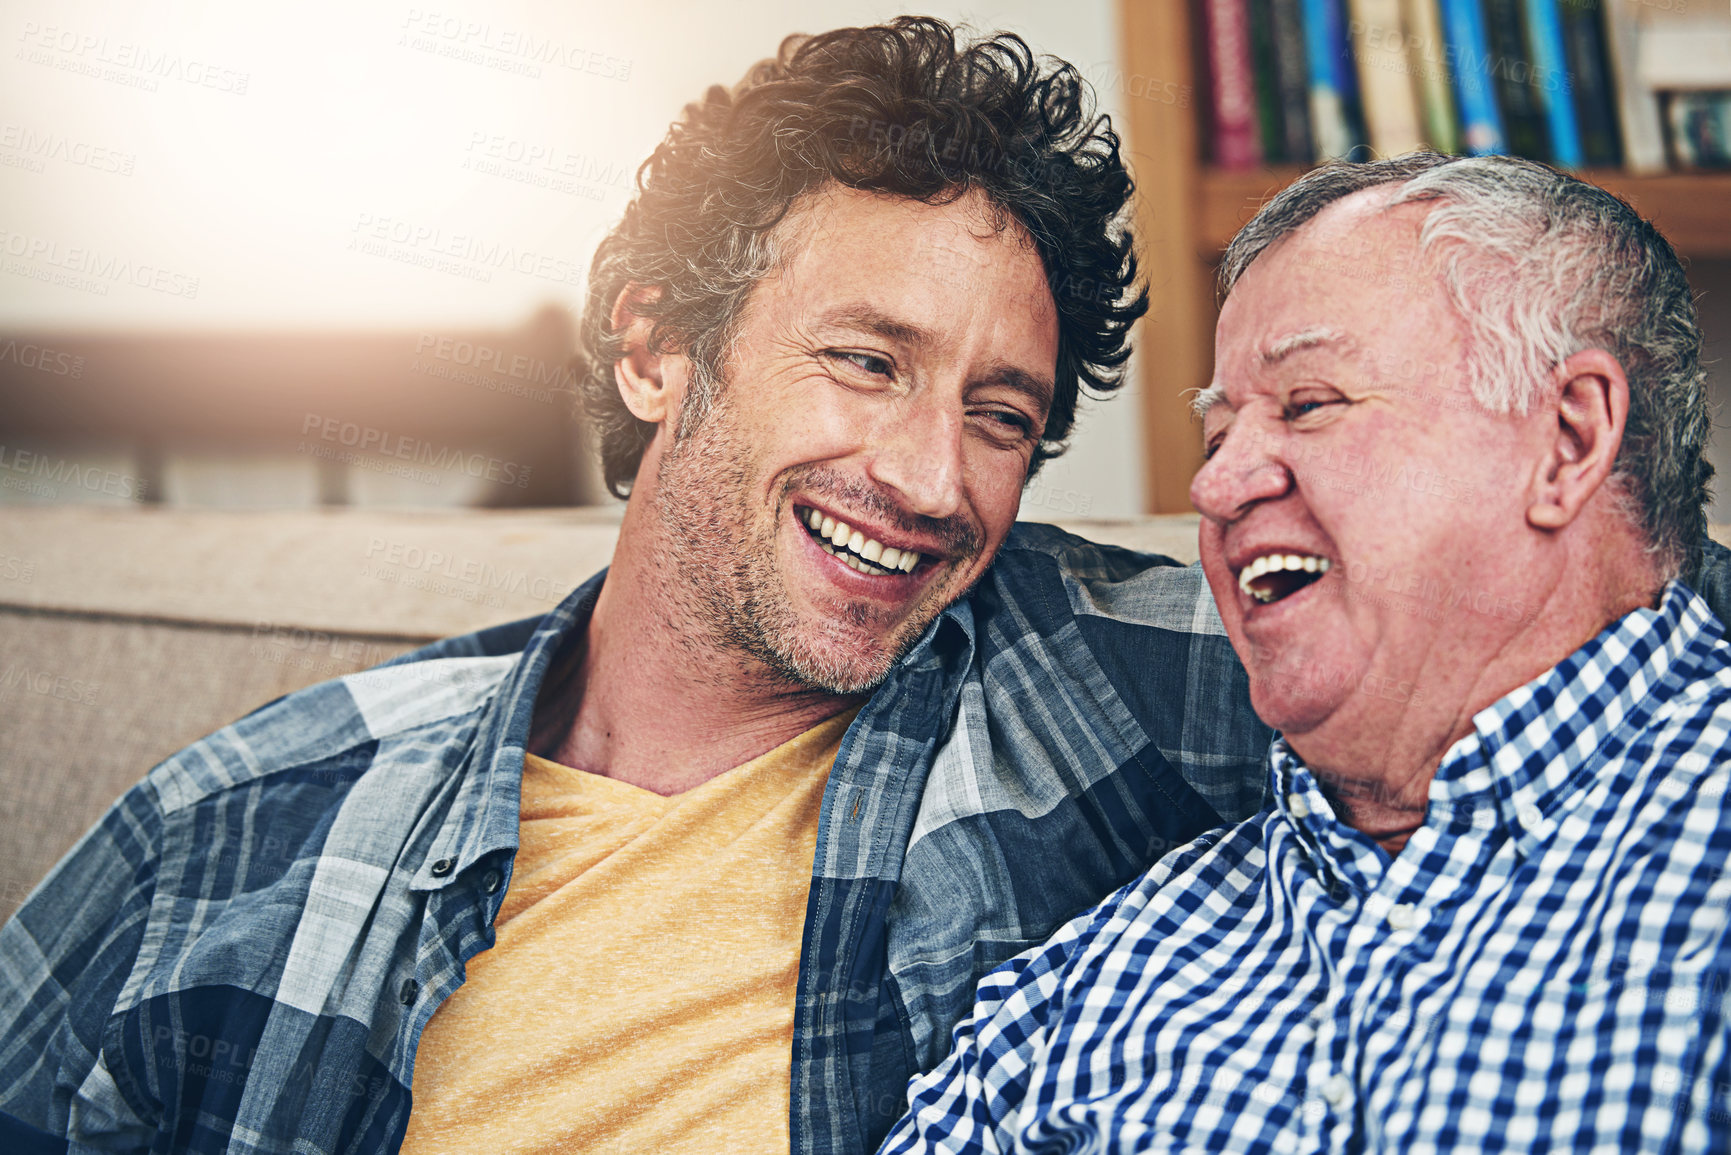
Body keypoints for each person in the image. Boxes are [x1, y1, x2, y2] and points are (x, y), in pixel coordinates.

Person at [0, 19, 1272, 1155]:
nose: (937, 479)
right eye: (868, 360)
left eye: (1000, 416)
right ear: (657, 349)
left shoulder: (1118, 689)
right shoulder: (242, 826)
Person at [879, 153, 1731, 1153]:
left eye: (1309, 403)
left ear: (1570, 439)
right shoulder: (1098, 975)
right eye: (1218, 434)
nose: (1217, 486)